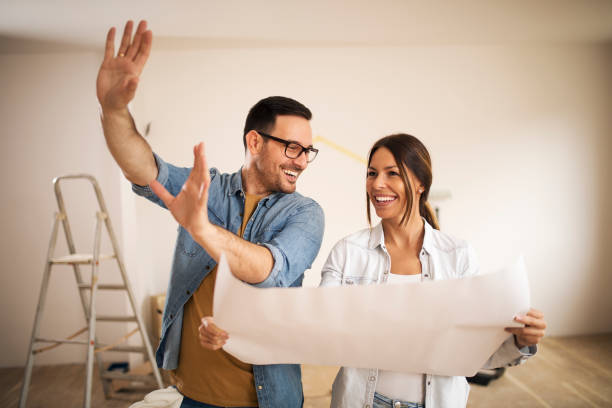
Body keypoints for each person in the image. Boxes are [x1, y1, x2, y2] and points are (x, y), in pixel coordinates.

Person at [96, 20, 324, 408]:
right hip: (190, 395)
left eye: (307, 151)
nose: (301, 161)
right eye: (291, 148)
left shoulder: (305, 213)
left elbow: (268, 269)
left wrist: (200, 227)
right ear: (255, 141)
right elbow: (142, 169)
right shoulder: (209, 189)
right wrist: (113, 110)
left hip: (267, 400)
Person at [320, 134, 546, 408]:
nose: (377, 184)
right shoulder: (347, 252)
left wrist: (520, 341)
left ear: (420, 184)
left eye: (392, 173)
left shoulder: (458, 256)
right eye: (372, 173)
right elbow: (323, 335)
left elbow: (473, 355)